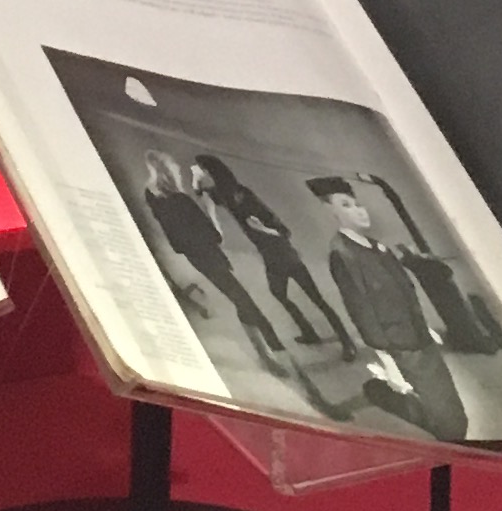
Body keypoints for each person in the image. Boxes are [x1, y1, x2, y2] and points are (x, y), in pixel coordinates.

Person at [309, 177, 469, 439]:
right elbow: (360, 309)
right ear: (331, 211)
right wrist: (388, 361)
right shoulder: (343, 254)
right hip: (398, 345)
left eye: (357, 204)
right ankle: (381, 393)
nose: (359, 210)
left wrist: (424, 326)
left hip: (420, 337)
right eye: (346, 205)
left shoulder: (380, 248)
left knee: (454, 417)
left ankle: (377, 392)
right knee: (453, 428)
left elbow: (405, 294)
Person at [133, 148, 294, 377]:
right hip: (210, 258)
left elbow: (177, 243)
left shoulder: (159, 204)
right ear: (168, 172)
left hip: (201, 259)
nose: (178, 170)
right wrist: (211, 217)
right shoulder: (181, 200)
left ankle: (266, 353)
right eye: (174, 167)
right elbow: (215, 235)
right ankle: (275, 351)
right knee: (246, 303)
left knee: (241, 302)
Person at [198, 155, 341, 345]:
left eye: (205, 171)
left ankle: (346, 342)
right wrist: (196, 178)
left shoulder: (244, 195)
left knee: (316, 298)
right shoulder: (224, 195)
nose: (204, 175)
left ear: (214, 173)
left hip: (284, 253)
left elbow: (284, 232)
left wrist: (261, 228)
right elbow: (203, 196)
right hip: (270, 257)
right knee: (280, 294)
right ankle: (309, 333)